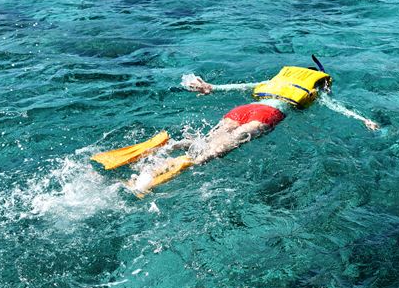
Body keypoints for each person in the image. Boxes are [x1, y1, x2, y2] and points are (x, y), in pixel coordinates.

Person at [92, 58, 379, 195]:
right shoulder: (314, 92)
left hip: (242, 109)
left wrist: (210, 87)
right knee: (211, 154)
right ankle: (175, 167)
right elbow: (335, 107)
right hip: (266, 115)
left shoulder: (273, 81)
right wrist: (362, 119)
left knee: (203, 139)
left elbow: (241, 86)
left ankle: (164, 146)